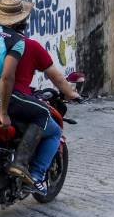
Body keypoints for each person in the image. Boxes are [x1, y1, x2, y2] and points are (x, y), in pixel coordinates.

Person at [0, 0, 76, 194]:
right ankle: (28, 169)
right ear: (21, 20)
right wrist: (3, 112)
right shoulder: (18, 42)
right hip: (0, 100)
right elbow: (7, 78)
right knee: (46, 117)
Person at [8, 17, 81, 194]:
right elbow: (56, 78)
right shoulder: (30, 46)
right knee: (54, 130)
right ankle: (35, 175)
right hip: (14, 99)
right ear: (23, 24)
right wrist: (72, 94)